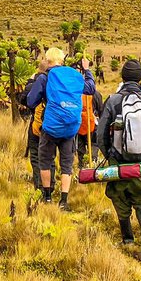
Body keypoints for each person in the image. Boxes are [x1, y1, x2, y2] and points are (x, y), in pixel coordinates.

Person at [96, 59, 141, 256]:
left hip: (119, 159)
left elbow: (100, 134)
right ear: (140, 78)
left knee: (119, 195)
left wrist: (108, 154)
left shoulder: (114, 100)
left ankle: (127, 238)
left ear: (123, 77)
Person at [26, 47, 95, 210]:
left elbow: (30, 101)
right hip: (71, 127)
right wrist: (87, 70)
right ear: (62, 60)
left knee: (45, 161)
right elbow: (90, 88)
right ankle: (64, 201)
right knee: (67, 164)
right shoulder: (74, 75)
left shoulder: (46, 77)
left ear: (48, 61)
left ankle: (48, 197)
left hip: (50, 127)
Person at [76, 57, 104, 168]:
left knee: (80, 146)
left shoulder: (75, 92)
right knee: (93, 144)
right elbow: (101, 110)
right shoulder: (96, 94)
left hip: (78, 124)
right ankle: (93, 164)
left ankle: (81, 165)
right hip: (92, 123)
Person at [18, 73, 42, 189]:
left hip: (36, 125)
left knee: (35, 156)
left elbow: (23, 99)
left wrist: (30, 82)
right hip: (53, 125)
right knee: (49, 157)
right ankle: (49, 186)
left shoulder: (33, 86)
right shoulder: (55, 84)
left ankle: (39, 185)